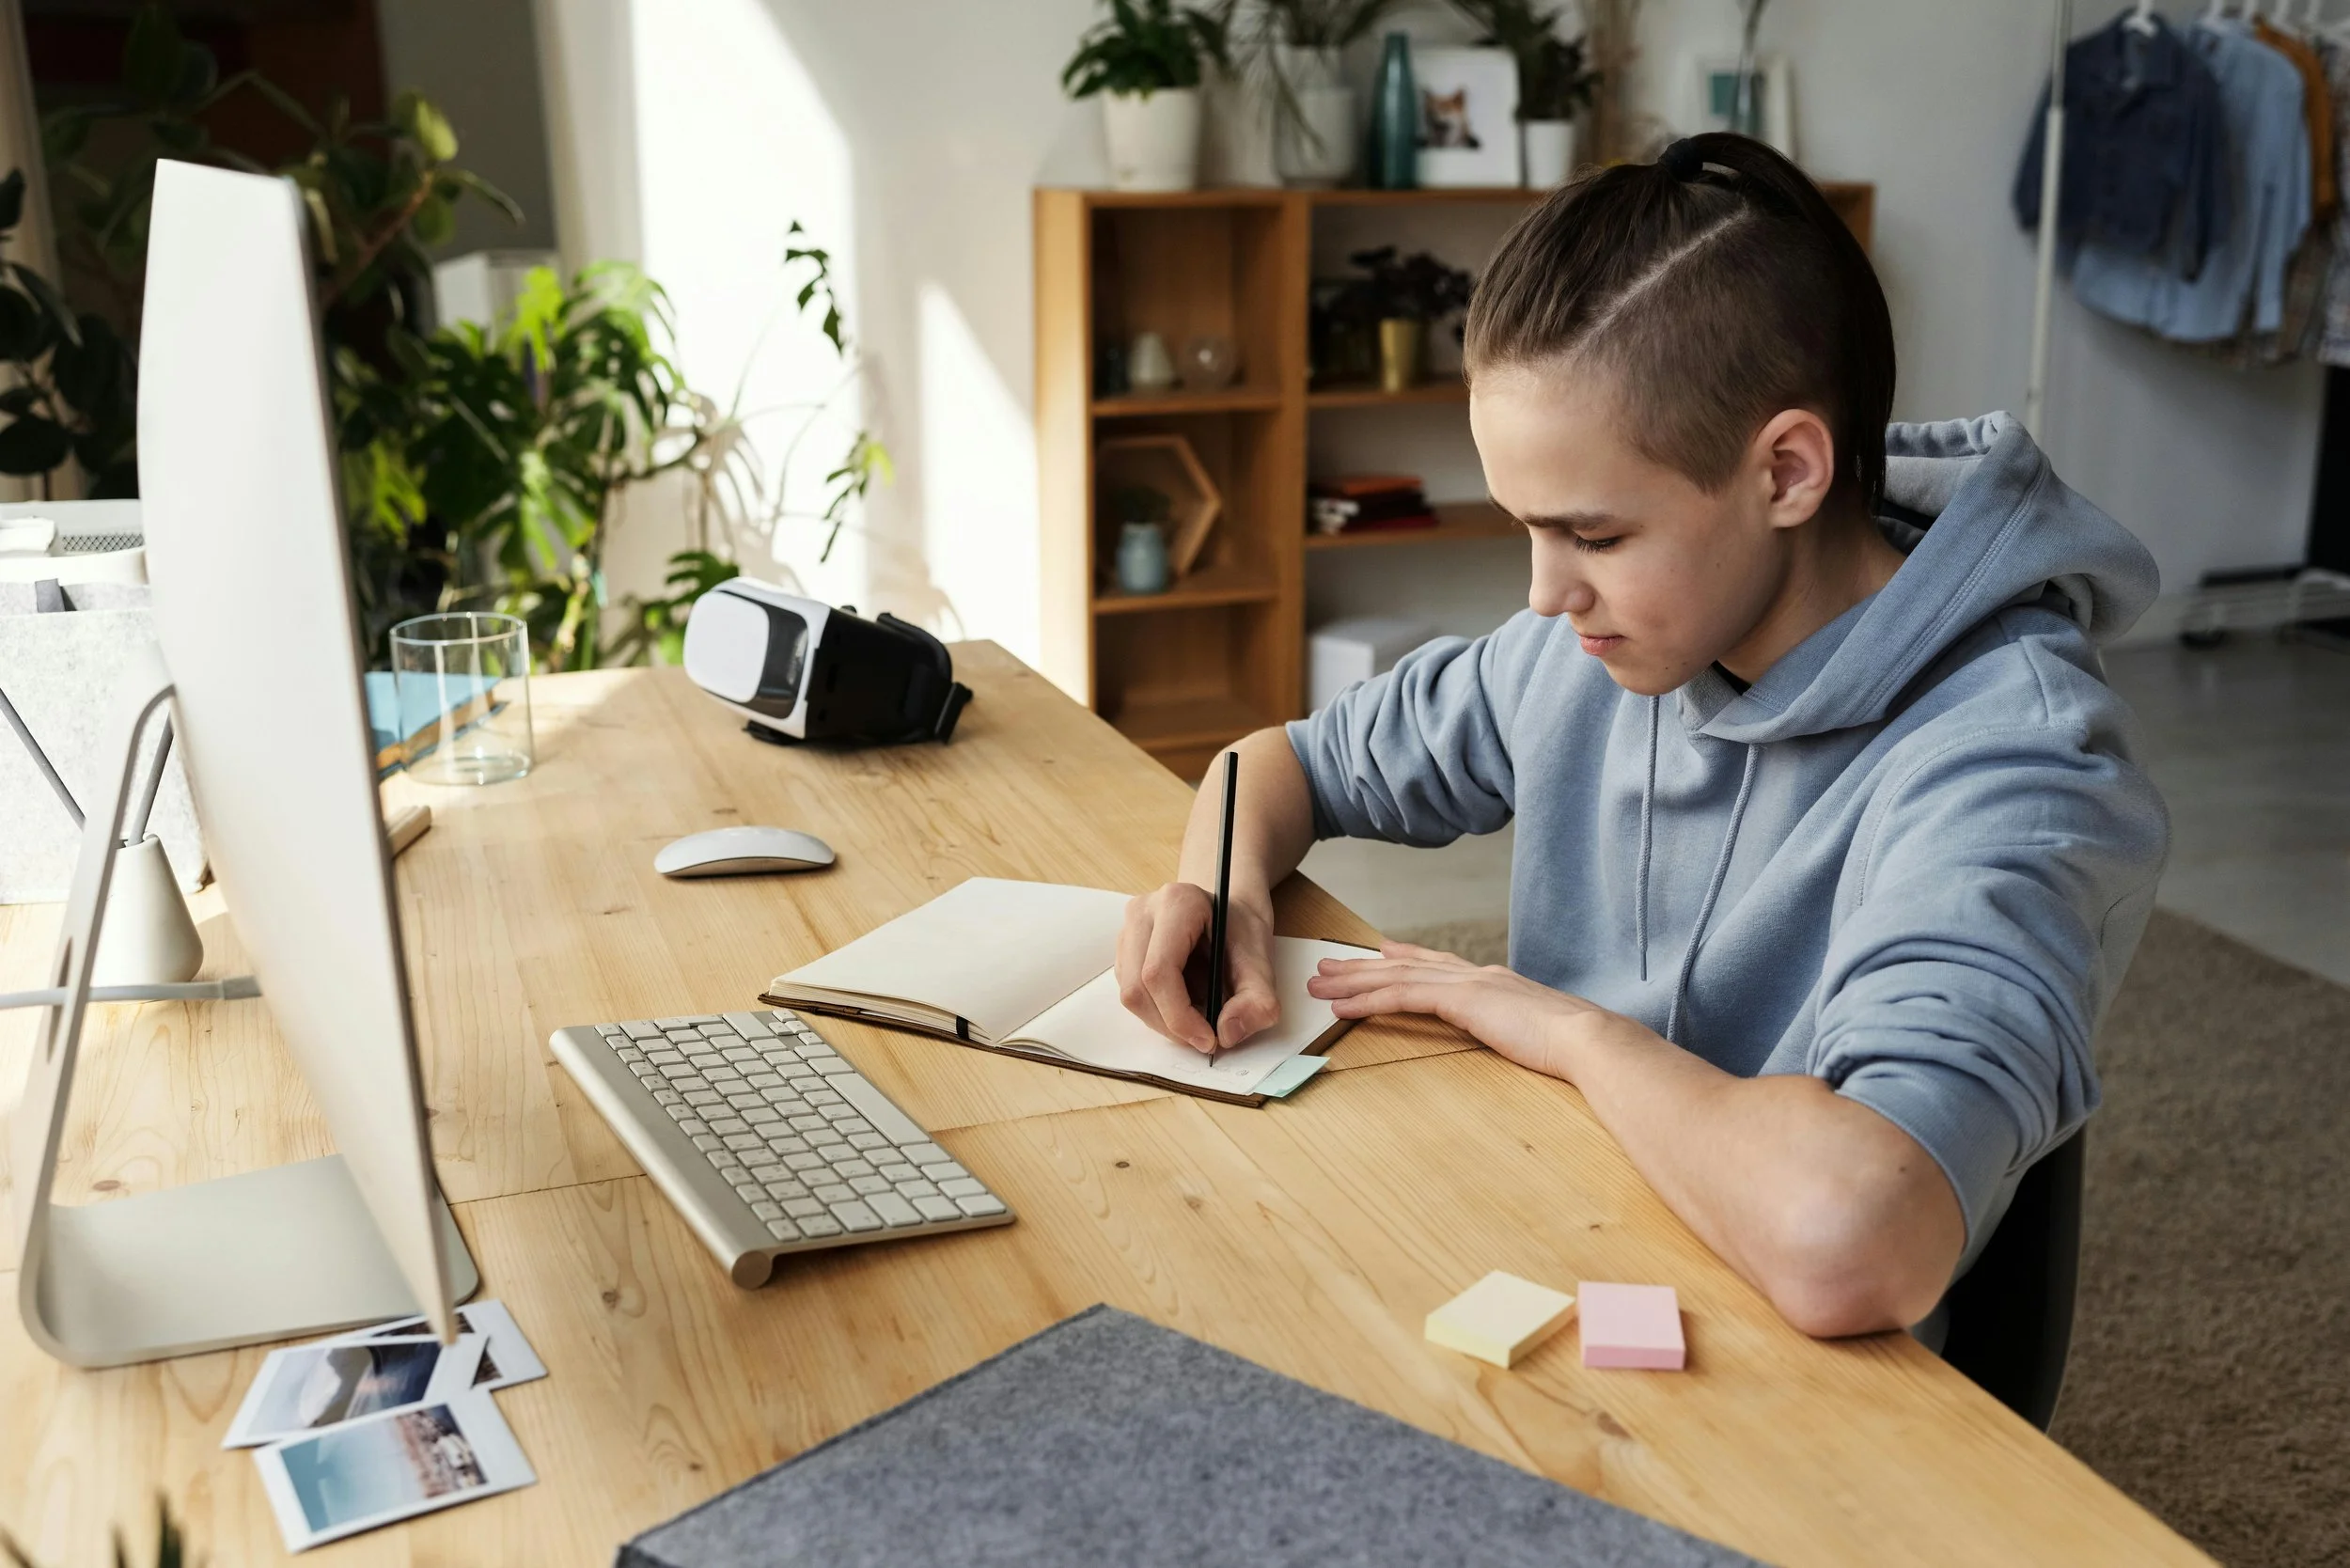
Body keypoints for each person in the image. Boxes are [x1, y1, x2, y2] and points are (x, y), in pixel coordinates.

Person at [1113, 133, 2169, 1341]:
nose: (1541, 594)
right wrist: (1221, 891)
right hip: (1558, 1235)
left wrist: (1558, 1027)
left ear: (1785, 470)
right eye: (1524, 527)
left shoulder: (2014, 765)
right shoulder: (1597, 644)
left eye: (1594, 535)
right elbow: (1274, 766)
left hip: (1794, 1371)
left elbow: (1855, 1240)